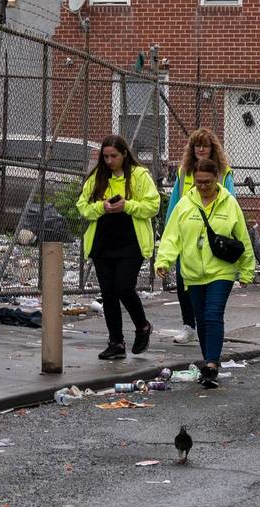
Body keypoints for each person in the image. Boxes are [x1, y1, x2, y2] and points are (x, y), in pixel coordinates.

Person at [154, 158, 255, 388]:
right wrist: (164, 261)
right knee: (201, 318)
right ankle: (208, 361)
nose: (202, 186)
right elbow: (172, 236)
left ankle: (211, 365)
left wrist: (247, 271)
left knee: (213, 313)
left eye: (207, 182)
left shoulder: (229, 203)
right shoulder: (185, 204)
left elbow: (243, 238)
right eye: (198, 182)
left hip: (221, 270)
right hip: (192, 271)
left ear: (217, 178)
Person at [76, 134, 160, 361]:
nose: (109, 161)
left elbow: (153, 205)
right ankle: (116, 342)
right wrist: (102, 207)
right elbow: (83, 207)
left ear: (124, 154)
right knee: (108, 293)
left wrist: (127, 205)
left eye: (114, 156)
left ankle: (142, 326)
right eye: (105, 157)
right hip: (103, 243)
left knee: (124, 287)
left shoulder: (139, 176)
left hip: (131, 242)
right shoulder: (97, 177)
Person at [166, 128, 235, 346]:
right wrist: (170, 232)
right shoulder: (184, 172)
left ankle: (206, 323)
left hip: (212, 236)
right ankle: (189, 325)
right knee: (182, 281)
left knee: (208, 282)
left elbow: (231, 202)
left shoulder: (224, 173)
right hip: (188, 233)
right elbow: (175, 202)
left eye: (205, 145)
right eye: (197, 146)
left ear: (212, 148)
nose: (201, 150)